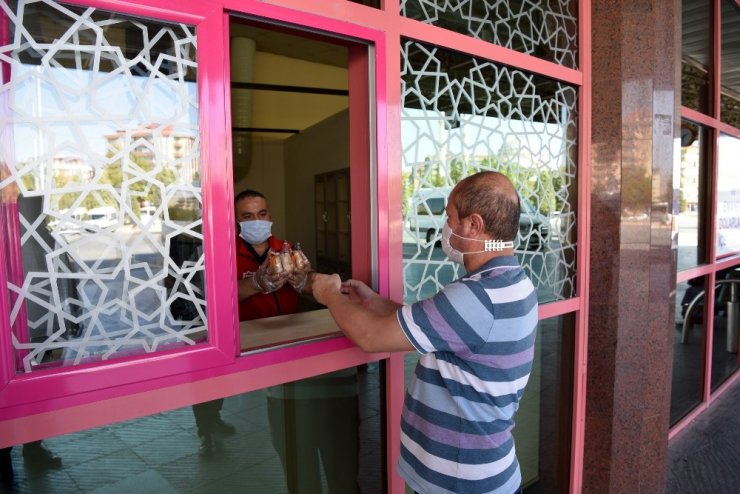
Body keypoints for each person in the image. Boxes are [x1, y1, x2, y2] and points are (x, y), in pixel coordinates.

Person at [312, 171, 538, 494]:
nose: (445, 227)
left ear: (473, 225)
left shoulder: (476, 297)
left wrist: (329, 293)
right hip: (486, 473)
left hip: (460, 483)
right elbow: (437, 328)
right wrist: (374, 302)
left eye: (449, 217)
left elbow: (371, 337)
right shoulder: (515, 284)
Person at [192, 189, 315, 456]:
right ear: (236, 220)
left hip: (284, 333)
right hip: (244, 336)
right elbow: (218, 295)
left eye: (261, 214)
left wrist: (305, 281)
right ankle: (208, 428)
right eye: (247, 216)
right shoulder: (223, 252)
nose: (256, 221)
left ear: (270, 215)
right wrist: (257, 283)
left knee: (284, 397)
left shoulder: (285, 248)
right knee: (212, 384)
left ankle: (289, 432)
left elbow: (306, 286)